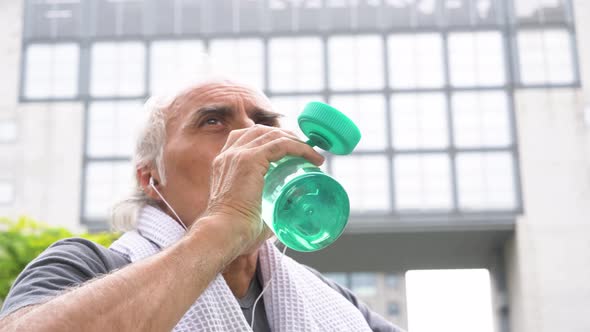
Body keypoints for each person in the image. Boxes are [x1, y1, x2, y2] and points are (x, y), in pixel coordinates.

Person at [0, 79, 404, 331]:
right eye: (213, 121)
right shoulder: (85, 265)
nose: (253, 134)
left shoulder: (335, 305)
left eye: (265, 121)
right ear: (151, 177)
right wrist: (220, 228)